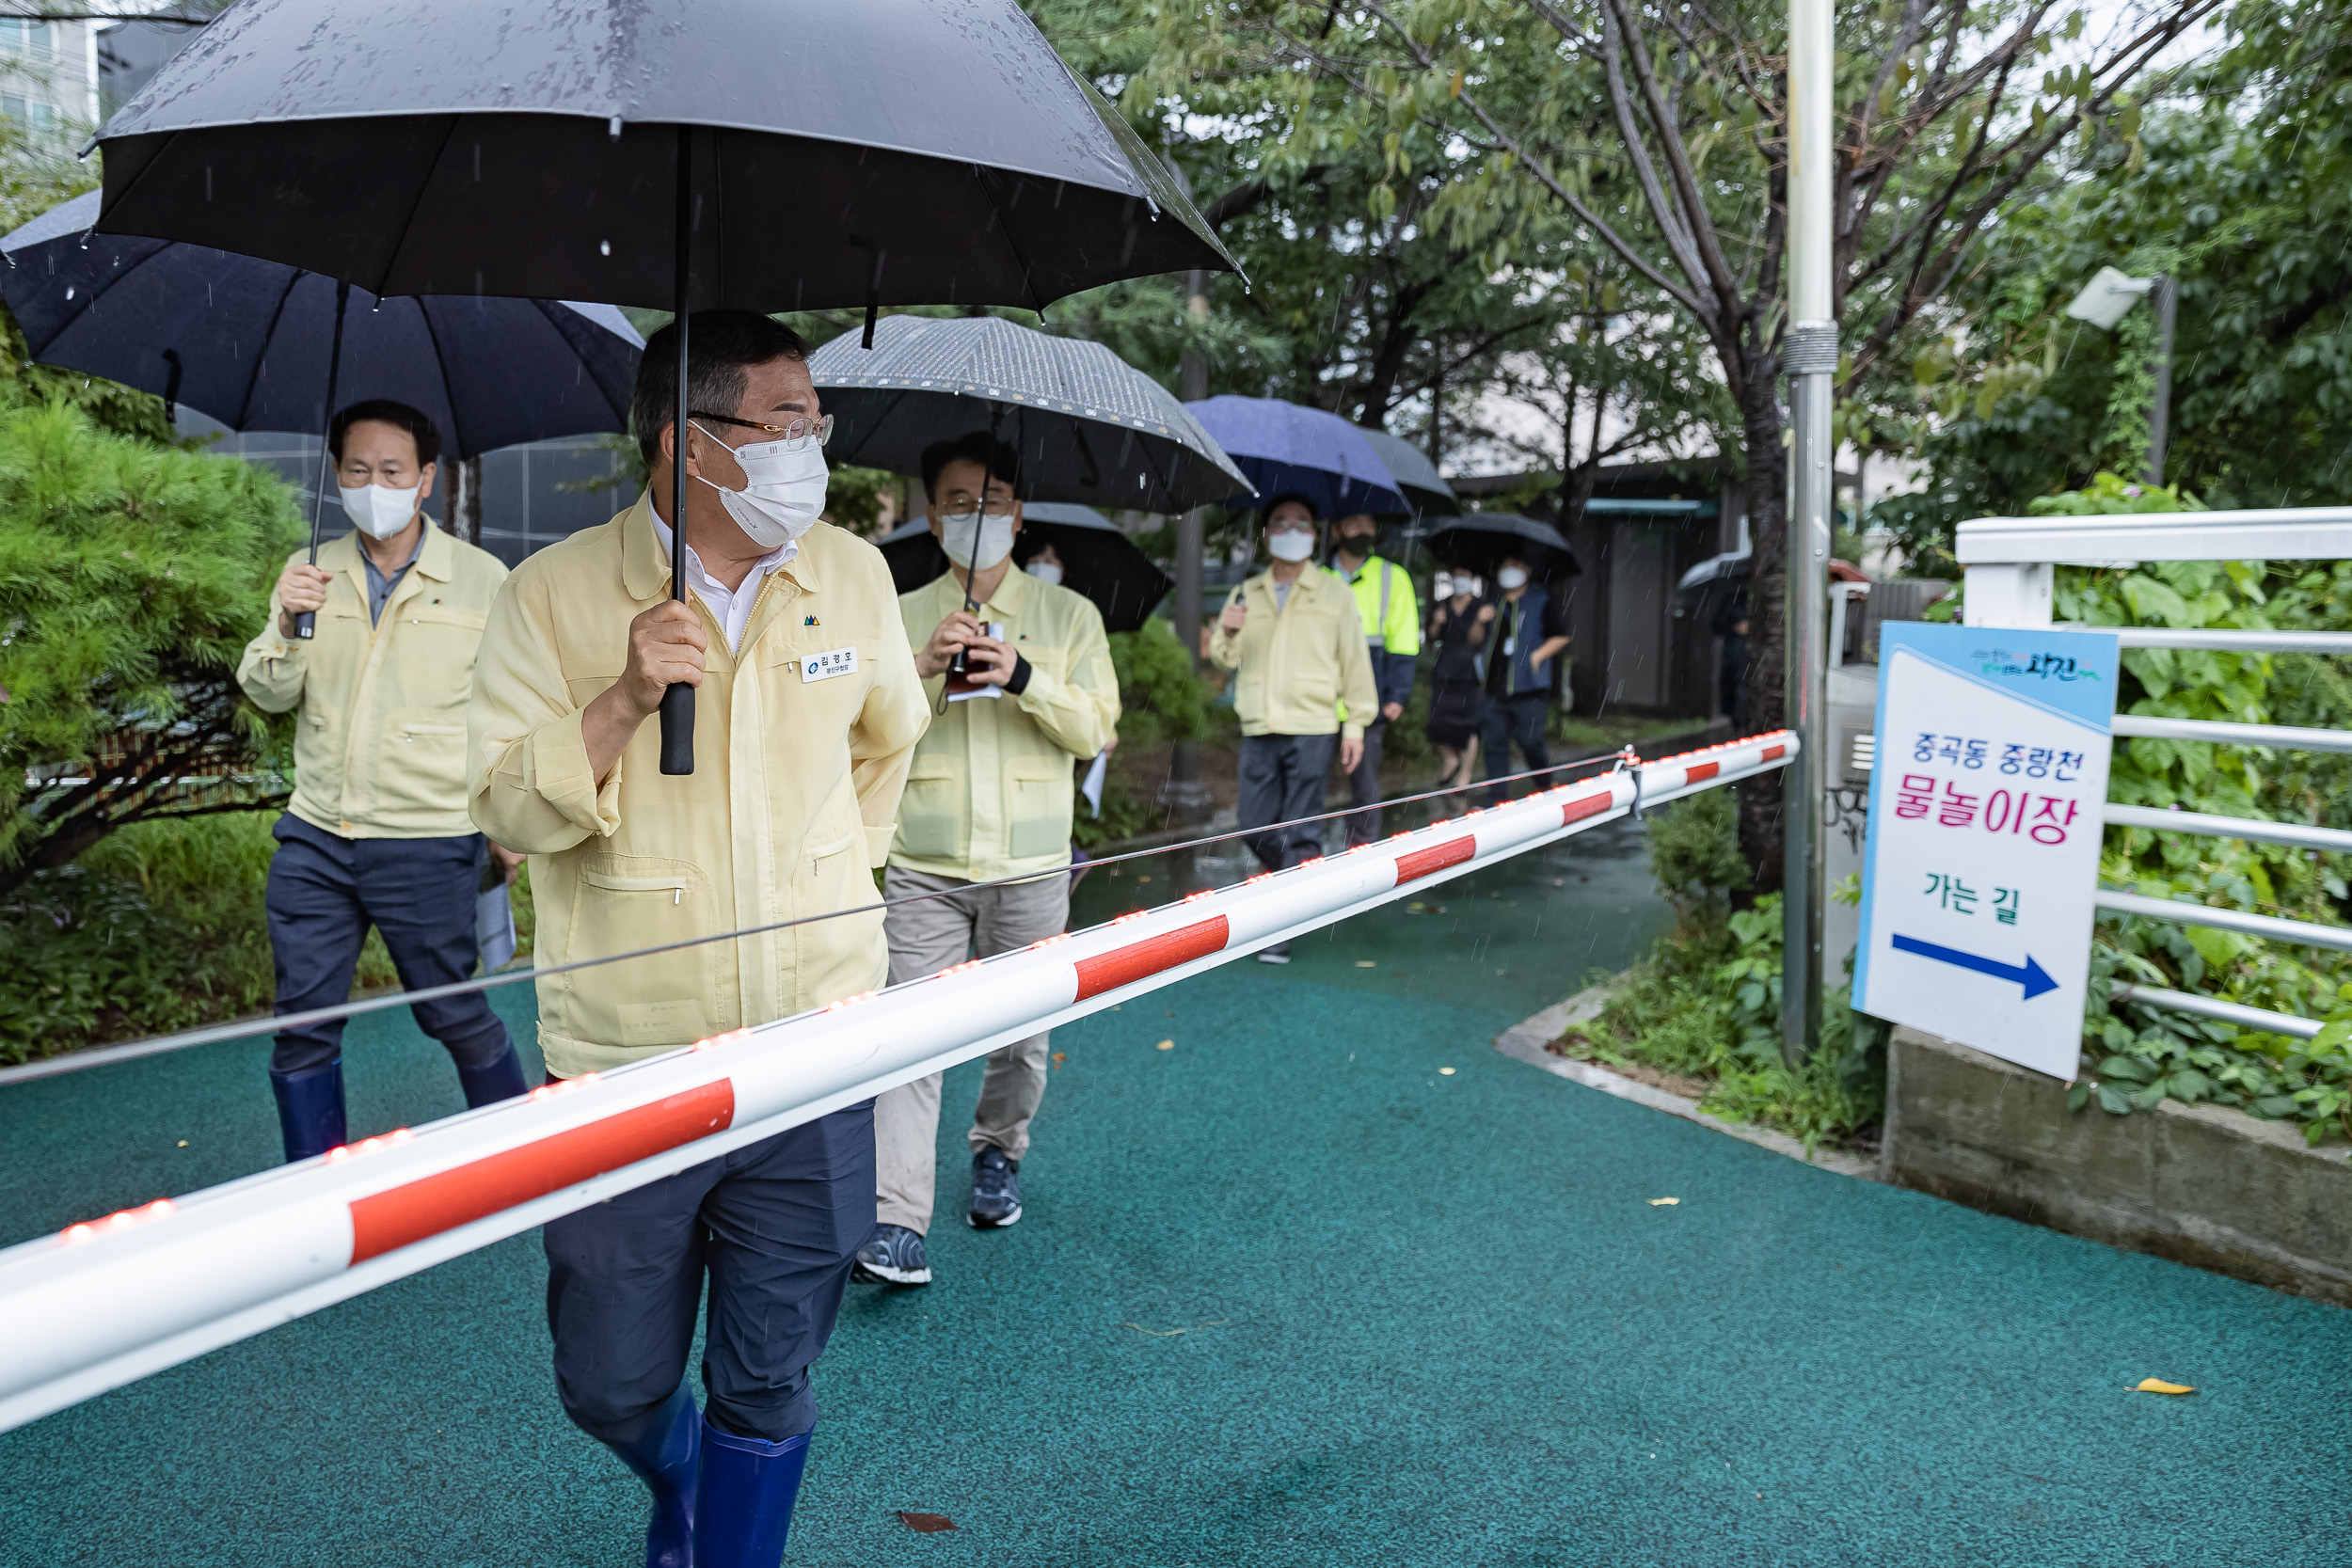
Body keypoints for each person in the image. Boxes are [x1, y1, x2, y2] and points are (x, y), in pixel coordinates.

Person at [468, 310, 928, 1567]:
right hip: (629, 1059)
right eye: (786, 422)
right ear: (689, 443)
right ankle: (677, 1479)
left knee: (770, 1376)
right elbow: (504, 804)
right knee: (607, 1379)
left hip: (817, 1047)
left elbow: (892, 732)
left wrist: (844, 866)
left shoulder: (852, 572)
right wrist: (619, 699)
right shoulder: (553, 592)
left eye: (813, 422)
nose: (811, 447)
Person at [853, 434, 1120, 1290]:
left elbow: (1096, 730)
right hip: (923, 862)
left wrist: (1025, 674)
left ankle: (999, 1150)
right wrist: (923, 669)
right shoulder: (897, 615)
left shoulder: (1069, 616)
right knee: (908, 1038)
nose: (980, 515)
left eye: (995, 498)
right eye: (961, 501)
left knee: (1021, 1039)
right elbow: (863, 734)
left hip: (1033, 862)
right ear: (934, 516)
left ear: (1018, 512)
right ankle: (897, 1216)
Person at [235, 398, 526, 1164]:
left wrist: (508, 820)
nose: (375, 484)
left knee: (451, 1011)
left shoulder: (480, 579)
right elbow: (267, 693)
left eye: (392, 470)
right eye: (358, 470)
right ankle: (314, 1192)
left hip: (427, 836)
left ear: (426, 478)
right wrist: (291, 622)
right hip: (317, 833)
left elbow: (509, 708)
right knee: (301, 1021)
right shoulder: (311, 574)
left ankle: (526, 1161)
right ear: (337, 476)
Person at [1206, 494, 1376, 965]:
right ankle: (1300, 887)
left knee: (1301, 827)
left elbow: (1354, 661)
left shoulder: (1334, 593)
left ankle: (1280, 924)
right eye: (1280, 523)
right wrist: (1230, 630)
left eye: (1302, 522)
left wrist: (1356, 724)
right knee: (1253, 825)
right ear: (1265, 534)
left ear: (1315, 534)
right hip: (1260, 724)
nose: (1291, 530)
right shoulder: (1246, 593)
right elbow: (1223, 659)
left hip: (1313, 725)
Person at [1327, 513, 1420, 846]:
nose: (1364, 531)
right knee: (1307, 782)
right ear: (1336, 528)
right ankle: (1298, 859)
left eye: (1370, 524)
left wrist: (1398, 695)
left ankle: (1361, 852)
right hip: (1318, 700)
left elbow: (1404, 640)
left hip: (1369, 698)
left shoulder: (1392, 577)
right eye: (1354, 523)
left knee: (1364, 783)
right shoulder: (1316, 577)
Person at [1479, 552, 1572, 803]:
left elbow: (1561, 636)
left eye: (1516, 565)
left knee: (1530, 740)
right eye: (1505, 565)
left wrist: (1537, 656)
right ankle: (1497, 796)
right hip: (1494, 687)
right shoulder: (1493, 603)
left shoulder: (1540, 600)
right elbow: (1476, 641)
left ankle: (1545, 783)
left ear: (1527, 571)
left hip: (1530, 688)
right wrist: (1479, 621)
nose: (1509, 570)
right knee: (1494, 744)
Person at [1423, 572, 1491, 791]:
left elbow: (1477, 640)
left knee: (1469, 725)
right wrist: (1437, 622)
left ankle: (1466, 772)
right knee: (1437, 721)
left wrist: (1479, 621)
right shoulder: (1441, 604)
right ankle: (1450, 759)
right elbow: (1432, 637)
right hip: (1444, 668)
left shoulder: (1481, 606)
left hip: (1469, 672)